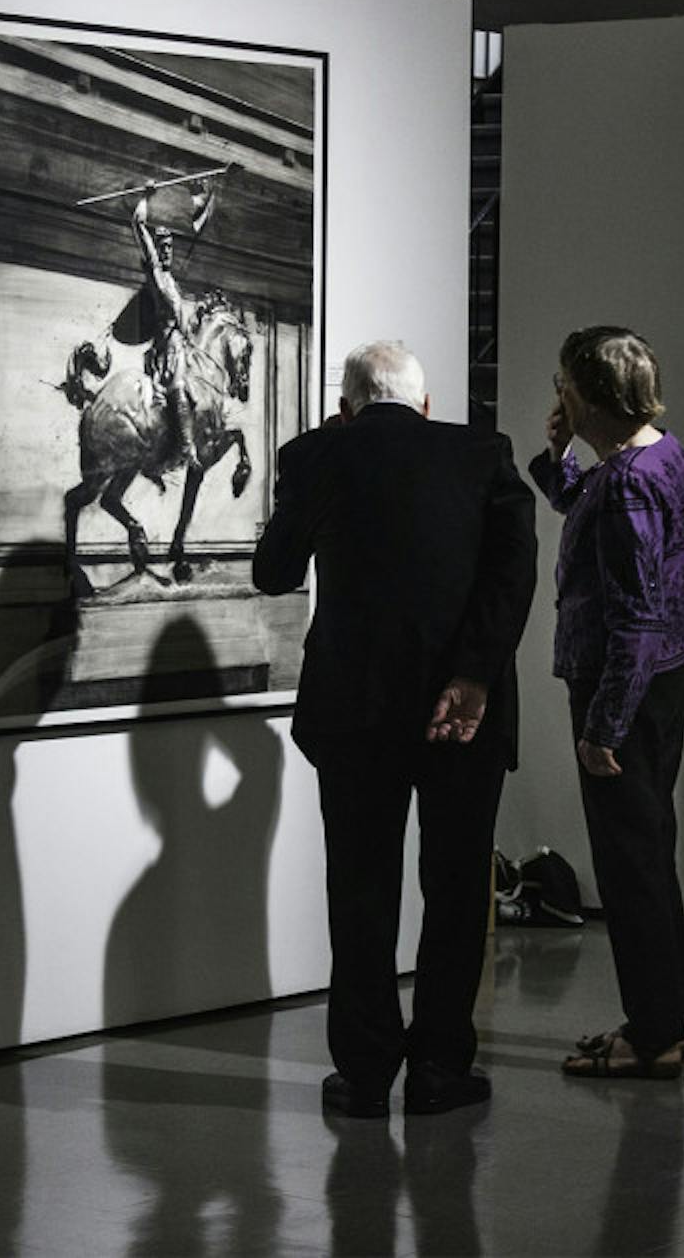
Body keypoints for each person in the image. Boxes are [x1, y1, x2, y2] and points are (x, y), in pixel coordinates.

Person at [253, 340, 537, 1117]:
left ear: (345, 408)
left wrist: (320, 465)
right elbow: (512, 577)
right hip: (464, 710)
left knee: (360, 889)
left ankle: (366, 1071)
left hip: (356, 710)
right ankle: (441, 1067)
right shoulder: (484, 454)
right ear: (425, 404)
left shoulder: (316, 455)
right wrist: (472, 676)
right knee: (456, 889)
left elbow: (274, 573)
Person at [528, 326, 684, 1080]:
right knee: (647, 855)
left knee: (632, 867)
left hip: (623, 687)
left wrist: (604, 728)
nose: (557, 395)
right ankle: (660, 1022)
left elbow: (636, 617)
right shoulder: (655, 455)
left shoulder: (629, 482)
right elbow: (582, 503)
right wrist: (560, 453)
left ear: (591, 396)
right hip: (659, 678)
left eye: (563, 385)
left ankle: (654, 1036)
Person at [127, 182, 216, 472]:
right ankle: (187, 448)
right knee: (177, 387)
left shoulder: (173, 283)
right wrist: (145, 197)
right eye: (162, 247)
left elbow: (183, 323)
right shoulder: (157, 276)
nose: (167, 252)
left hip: (181, 345)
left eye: (169, 248)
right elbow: (138, 225)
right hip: (166, 348)